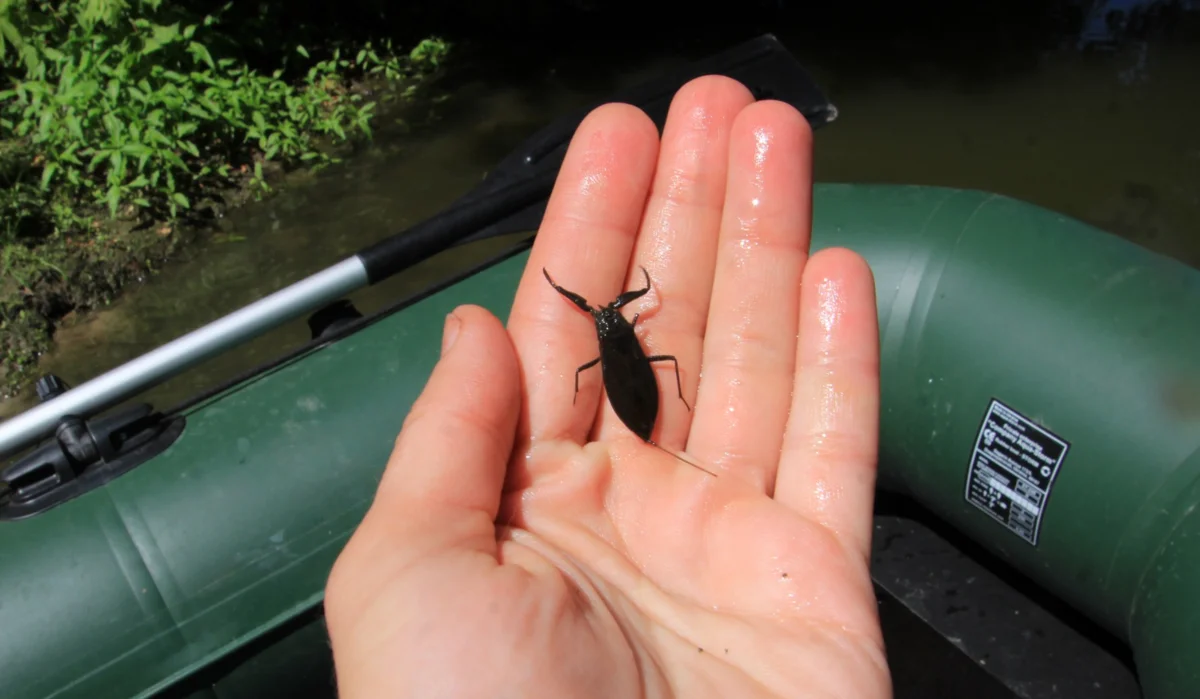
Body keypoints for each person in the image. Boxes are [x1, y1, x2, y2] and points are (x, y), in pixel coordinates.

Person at [323, 74, 889, 698]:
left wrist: (614, 320)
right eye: (606, 312)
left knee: (652, 364)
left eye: (609, 312)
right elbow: (626, 324)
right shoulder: (611, 326)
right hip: (633, 387)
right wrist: (620, 314)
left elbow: (621, 324)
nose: (608, 314)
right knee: (657, 364)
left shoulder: (605, 329)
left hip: (631, 387)